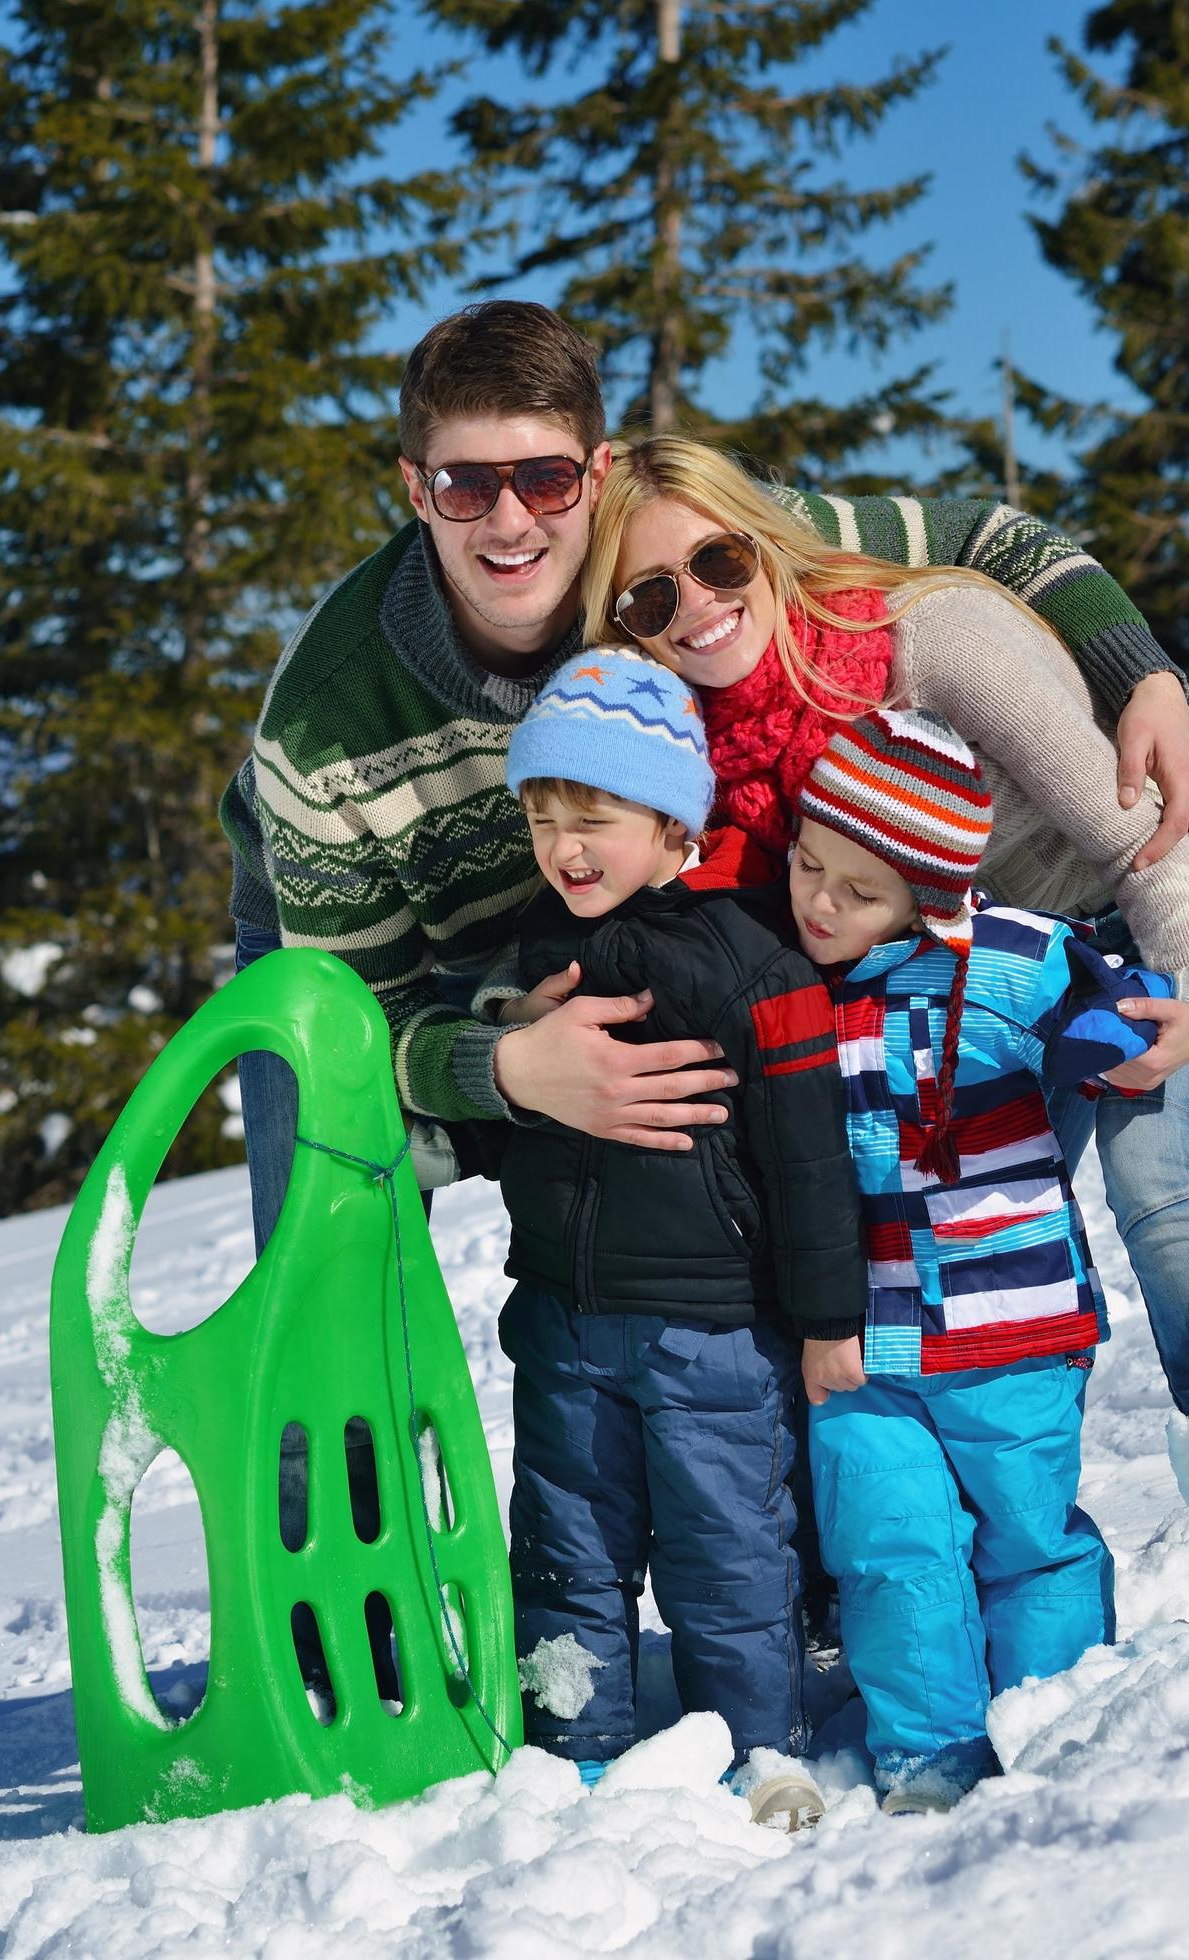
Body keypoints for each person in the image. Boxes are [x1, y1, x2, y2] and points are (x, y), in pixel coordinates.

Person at [221, 300, 1189, 1231]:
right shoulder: (325, 730)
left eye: (545, 478)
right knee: (335, 1207)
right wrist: (505, 1066)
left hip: (587, 914)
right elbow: (361, 1033)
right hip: (360, 924)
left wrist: (1142, 673)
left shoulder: (683, 564)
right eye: (465, 483)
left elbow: (981, 538)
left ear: (598, 469)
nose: (511, 520)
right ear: (414, 487)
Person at [585, 434, 1189, 1634]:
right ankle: (889, 1573)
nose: (700, 606)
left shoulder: (926, 639)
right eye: (651, 594)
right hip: (1002, 944)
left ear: (766, 542)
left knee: (1155, 1163)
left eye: (719, 559)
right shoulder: (702, 751)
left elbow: (1129, 830)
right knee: (918, 1205)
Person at [492, 650, 858, 1830]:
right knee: (564, 1541)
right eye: (543, 818)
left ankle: (762, 1746)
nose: (566, 846)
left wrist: (825, 1320)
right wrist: (503, 1031)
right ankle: (575, 1743)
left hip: (713, 1328)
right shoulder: (526, 956)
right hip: (562, 1311)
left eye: (592, 818)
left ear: (670, 825)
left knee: (727, 1546)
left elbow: (808, 1165)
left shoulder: (755, 965)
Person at [784, 710, 1168, 1812]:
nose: (819, 902)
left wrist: (1108, 1036)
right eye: (810, 865)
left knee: (1026, 1539)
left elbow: (1112, 999)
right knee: (887, 1546)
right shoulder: (789, 979)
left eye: (855, 892)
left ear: (929, 891)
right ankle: (928, 1757)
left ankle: (1060, 1728)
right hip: (861, 1343)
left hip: (1014, 1330)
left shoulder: (1005, 960)